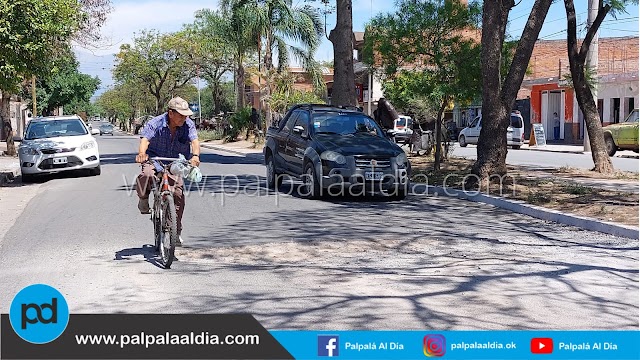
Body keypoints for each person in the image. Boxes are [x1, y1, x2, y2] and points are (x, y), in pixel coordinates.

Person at [135, 97, 201, 246]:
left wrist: (195, 155)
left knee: (178, 194)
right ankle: (143, 199)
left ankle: (175, 232)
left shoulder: (188, 124)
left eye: (186, 115)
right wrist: (141, 153)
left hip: (176, 162)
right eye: (181, 115)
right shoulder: (155, 123)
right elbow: (145, 139)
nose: (185, 118)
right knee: (146, 175)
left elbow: (195, 142)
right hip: (155, 158)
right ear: (171, 113)